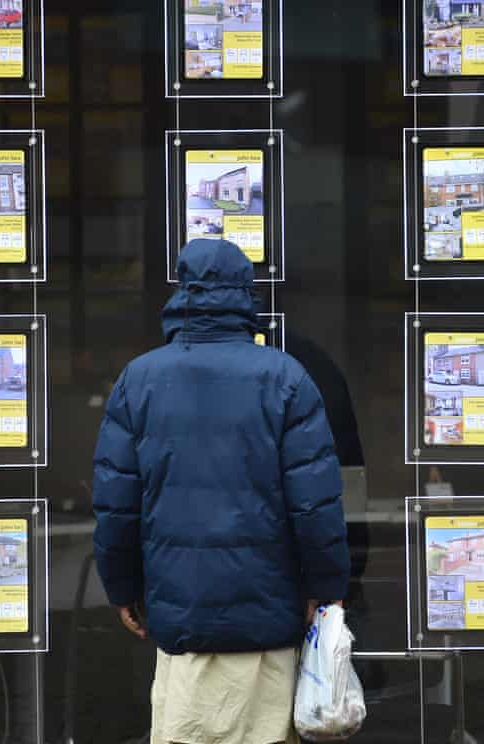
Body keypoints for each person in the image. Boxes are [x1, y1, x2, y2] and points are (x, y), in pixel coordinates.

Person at [92, 238, 350, 744]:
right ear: (246, 296)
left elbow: (116, 506)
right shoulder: (286, 378)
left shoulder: (138, 380)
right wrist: (326, 588)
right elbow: (316, 506)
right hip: (268, 620)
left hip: (181, 620)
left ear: (182, 293)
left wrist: (123, 587)